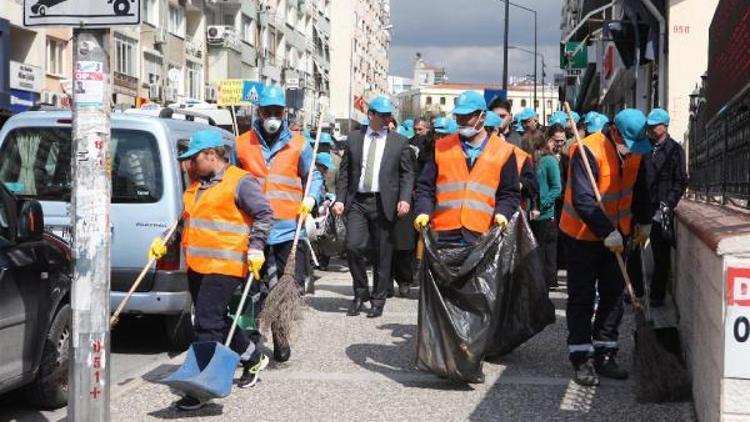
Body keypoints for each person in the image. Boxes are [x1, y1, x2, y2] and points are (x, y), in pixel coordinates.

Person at [148, 130, 274, 411]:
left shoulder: (240, 182)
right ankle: (253, 356)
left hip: (228, 264)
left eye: (193, 159)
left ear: (211, 155)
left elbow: (265, 213)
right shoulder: (195, 187)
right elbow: (185, 222)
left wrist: (256, 248)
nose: (189, 166)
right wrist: (164, 244)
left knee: (205, 322)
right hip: (198, 265)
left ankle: (200, 387)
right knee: (215, 319)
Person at [559, 109, 652, 387]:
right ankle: (581, 357)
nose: (632, 150)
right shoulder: (587, 152)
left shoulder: (636, 151)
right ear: (614, 132)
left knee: (613, 296)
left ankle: (606, 353)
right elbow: (584, 200)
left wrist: (644, 222)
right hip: (581, 236)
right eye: (628, 144)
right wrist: (606, 231)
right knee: (582, 297)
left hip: (618, 235)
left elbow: (640, 190)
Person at [234, 85, 323, 362]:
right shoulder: (241, 144)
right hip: (253, 229)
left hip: (287, 230)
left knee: (286, 286)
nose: (272, 116)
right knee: (255, 287)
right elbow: (231, 181)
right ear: (259, 112)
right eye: (267, 111)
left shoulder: (299, 144)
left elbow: (314, 176)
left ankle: (281, 334)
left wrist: (310, 198)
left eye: (277, 112)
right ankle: (250, 339)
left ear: (284, 113)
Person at [334, 96, 415, 318]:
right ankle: (360, 292)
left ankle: (378, 299)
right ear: (371, 115)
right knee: (352, 247)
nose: (388, 119)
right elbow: (344, 172)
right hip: (358, 202)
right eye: (383, 116)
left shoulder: (399, 142)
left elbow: (408, 174)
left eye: (390, 116)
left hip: (384, 203)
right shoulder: (353, 139)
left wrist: (405, 198)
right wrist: (340, 199)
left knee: (382, 254)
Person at [414, 90, 521, 245]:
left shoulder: (504, 152)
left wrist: (503, 213)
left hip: (483, 234)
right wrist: (423, 211)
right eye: (458, 117)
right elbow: (425, 187)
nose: (461, 121)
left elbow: (509, 193)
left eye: (467, 117)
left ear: (482, 117)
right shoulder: (441, 148)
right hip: (443, 234)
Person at [644, 108, 688, 307]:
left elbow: (681, 181)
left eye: (655, 125)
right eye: (650, 125)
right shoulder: (644, 147)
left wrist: (667, 203)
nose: (652, 129)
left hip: (661, 209)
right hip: (642, 207)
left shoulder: (674, 150)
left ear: (665, 126)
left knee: (661, 255)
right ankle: (634, 290)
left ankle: (657, 296)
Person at [486, 111, 539, 221]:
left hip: (512, 216)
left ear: (495, 131)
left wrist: (520, 184)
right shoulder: (473, 156)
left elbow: (533, 185)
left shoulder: (519, 155)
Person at [532, 129, 562, 289]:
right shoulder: (537, 160)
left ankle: (549, 280)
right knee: (540, 249)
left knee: (547, 249)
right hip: (535, 213)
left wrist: (542, 204)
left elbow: (556, 188)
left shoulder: (550, 161)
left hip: (545, 213)